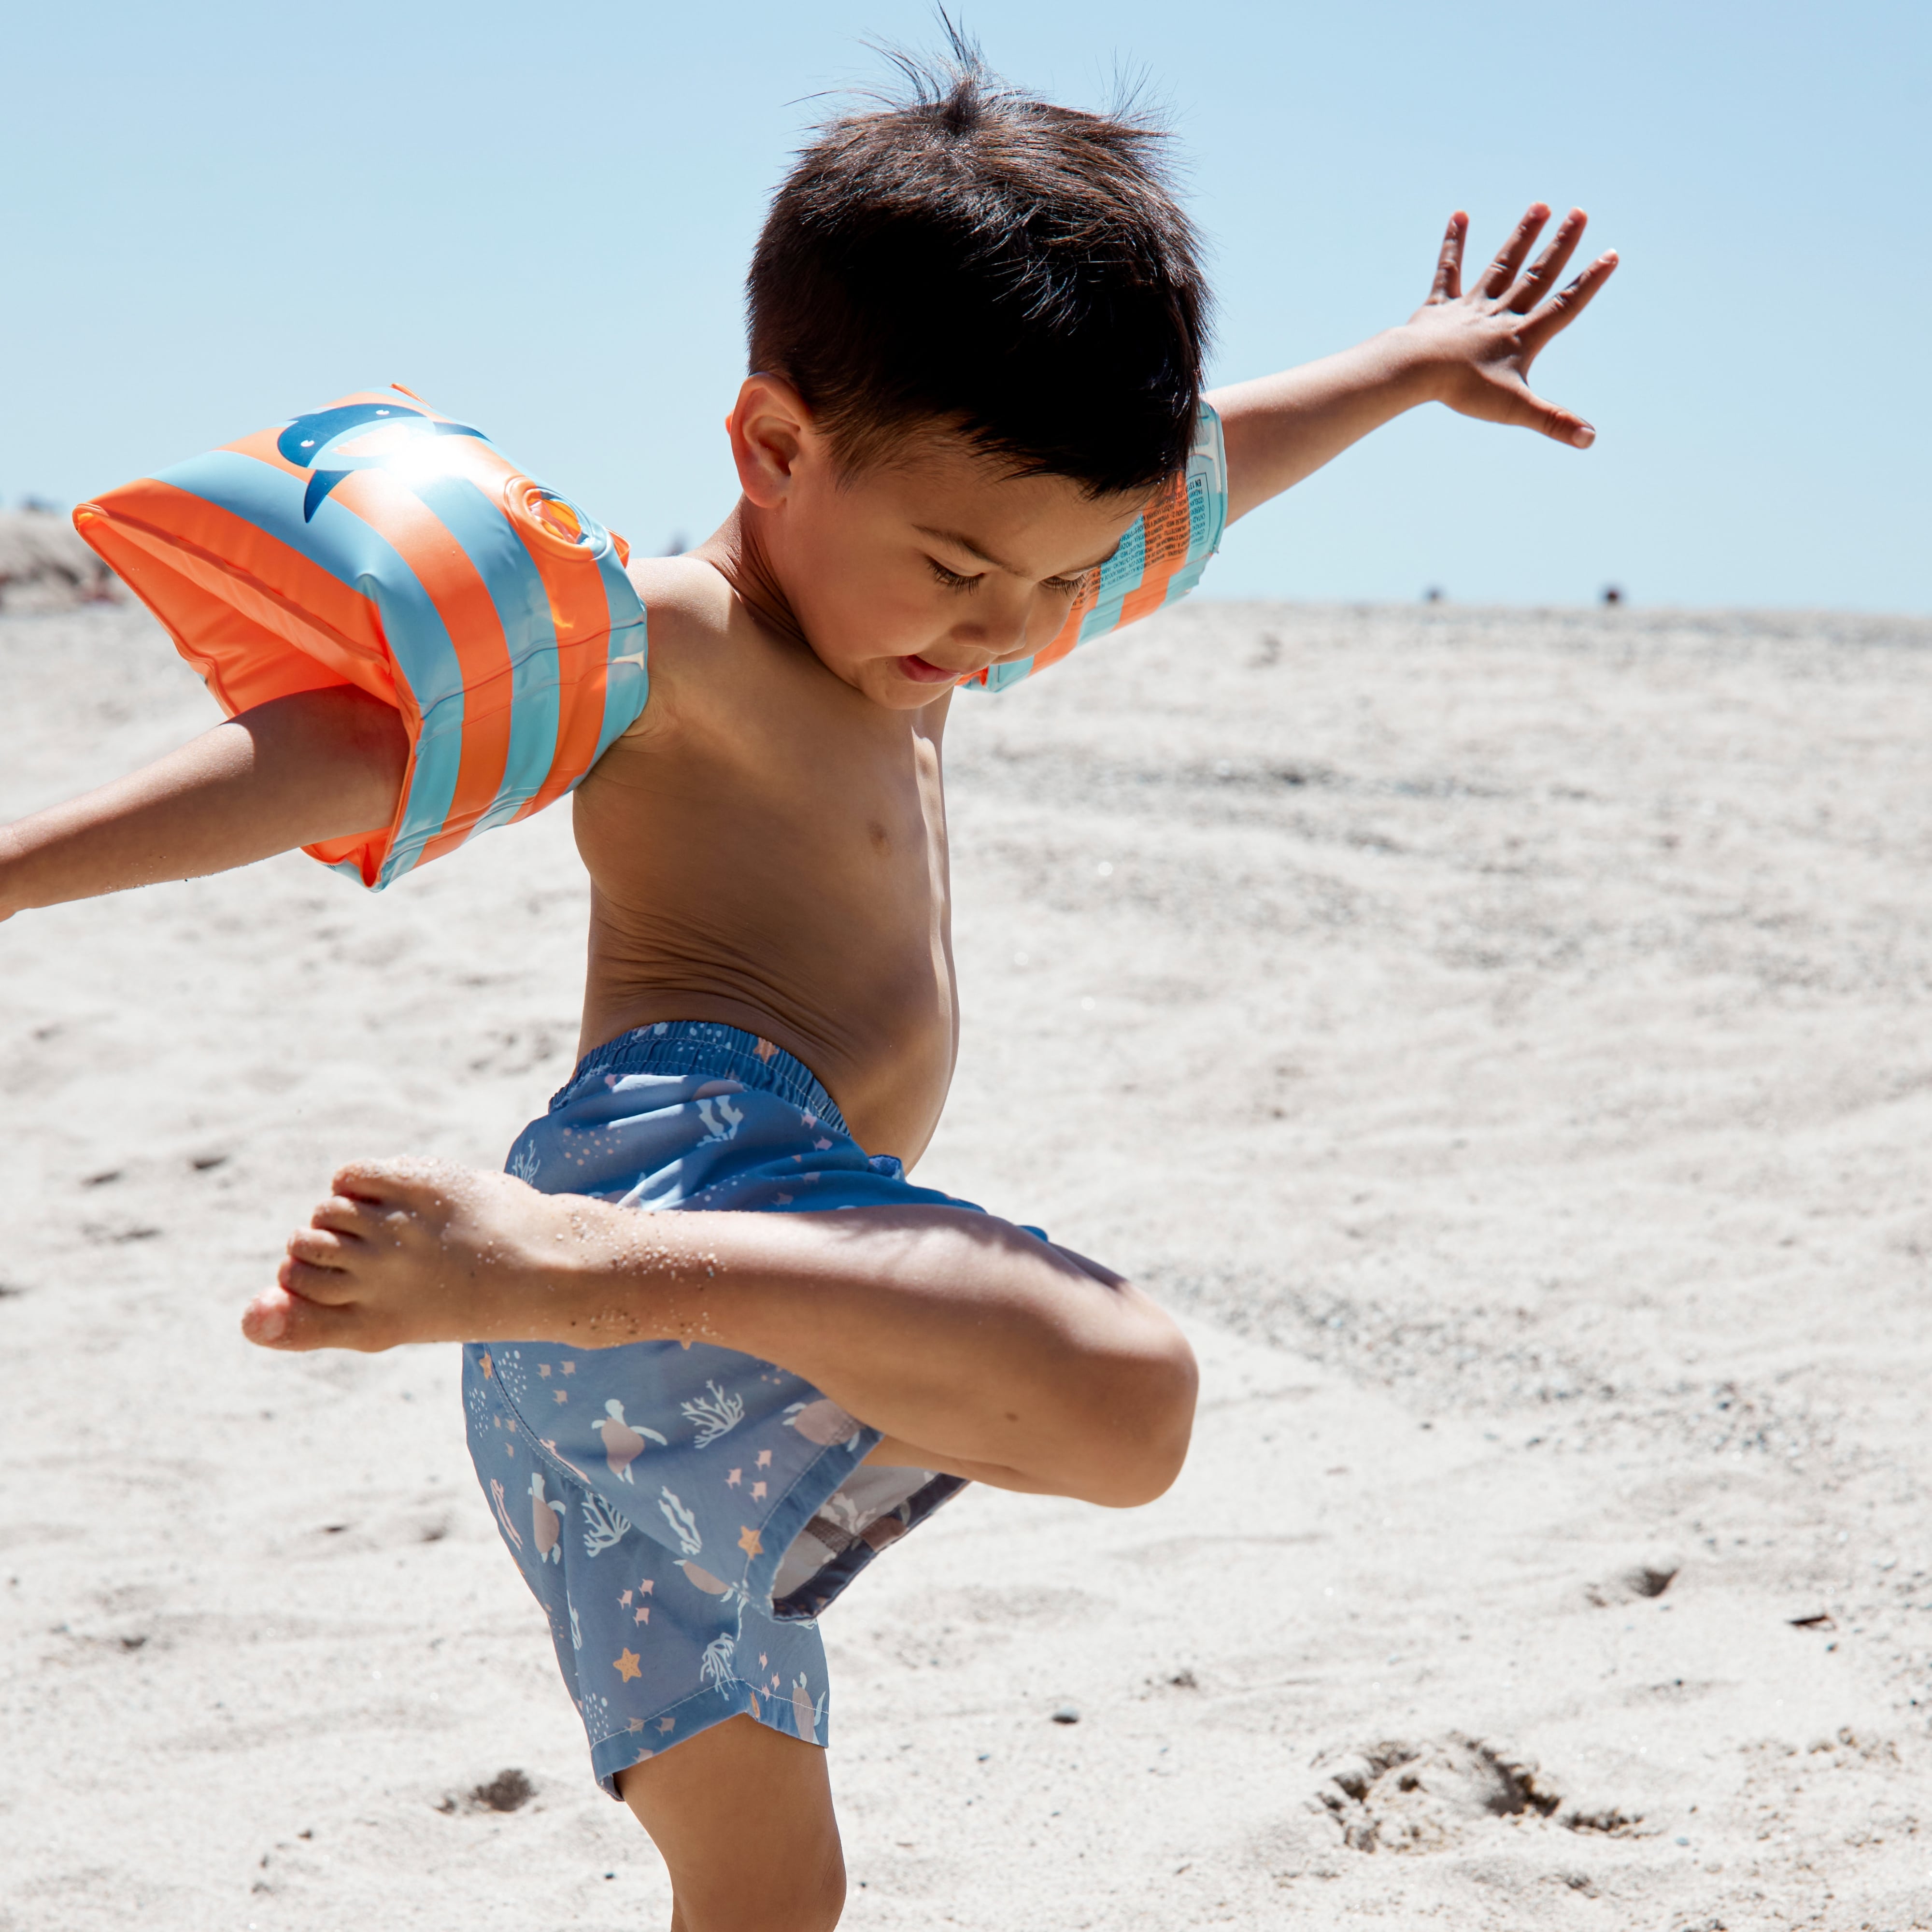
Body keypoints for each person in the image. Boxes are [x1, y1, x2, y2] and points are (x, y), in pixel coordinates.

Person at [0, 43, 1614, 1932]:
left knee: (771, 1895)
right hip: (663, 1205)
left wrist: (1404, 369)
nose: (1011, 625)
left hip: (646, 1364)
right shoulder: (677, 635)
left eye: (1054, 577)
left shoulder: (937, 629)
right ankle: (560, 1275)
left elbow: (1186, 493)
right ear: (770, 445)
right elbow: (350, 747)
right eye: (957, 565)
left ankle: (567, 1292)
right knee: (1129, 1396)